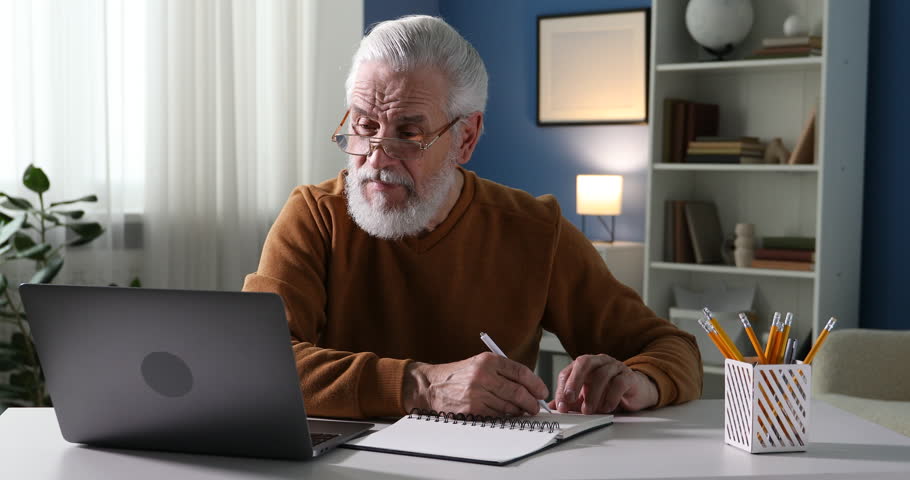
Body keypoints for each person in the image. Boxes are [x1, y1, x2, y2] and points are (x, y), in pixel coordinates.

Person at [243, 15, 702, 419]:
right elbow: (255, 361)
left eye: (408, 133)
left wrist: (640, 382)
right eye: (364, 126)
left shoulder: (534, 230)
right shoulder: (315, 215)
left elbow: (671, 348)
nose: (376, 158)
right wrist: (421, 386)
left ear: (466, 138)